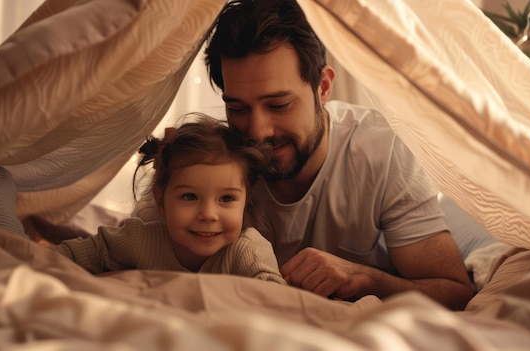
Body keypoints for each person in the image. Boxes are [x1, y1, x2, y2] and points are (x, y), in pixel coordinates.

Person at [202, 0, 474, 309]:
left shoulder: (382, 150)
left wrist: (364, 278)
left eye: (279, 105)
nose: (258, 131)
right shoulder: (210, 159)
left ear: (323, 87)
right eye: (237, 108)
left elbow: (457, 292)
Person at [54, 114, 286, 285]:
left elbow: (276, 302)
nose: (208, 214)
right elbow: (62, 257)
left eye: (226, 198)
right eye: (190, 196)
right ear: (161, 201)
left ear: (246, 202)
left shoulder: (248, 250)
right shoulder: (140, 240)